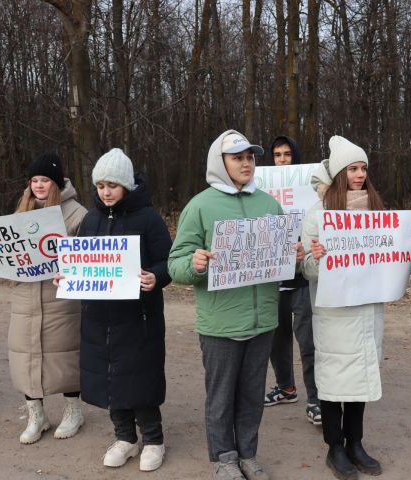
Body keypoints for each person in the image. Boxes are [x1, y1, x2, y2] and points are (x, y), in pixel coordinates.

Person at [169, 130, 300, 480]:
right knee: (221, 397)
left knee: (252, 395)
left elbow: (282, 261)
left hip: (262, 322)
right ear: (220, 162)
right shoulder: (200, 206)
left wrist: (295, 256)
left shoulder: (269, 204)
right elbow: (175, 263)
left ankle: (248, 454)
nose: (246, 163)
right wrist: (193, 264)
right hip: (220, 325)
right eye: (237, 157)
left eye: (250, 157)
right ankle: (223, 458)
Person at [71, 148, 172, 471]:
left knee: (139, 380)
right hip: (100, 319)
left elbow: (168, 261)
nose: (106, 192)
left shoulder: (148, 218)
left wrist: (155, 277)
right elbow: (81, 262)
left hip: (139, 318)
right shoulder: (91, 218)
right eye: (100, 186)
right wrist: (69, 274)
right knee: (110, 379)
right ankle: (125, 438)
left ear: (126, 185)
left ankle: (153, 440)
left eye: (112, 185)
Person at [301, 135, 394, 480]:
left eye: (363, 168)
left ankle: (356, 443)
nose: (359, 174)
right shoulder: (319, 214)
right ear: (340, 173)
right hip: (335, 312)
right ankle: (334, 447)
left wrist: (408, 240)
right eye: (353, 168)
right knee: (333, 379)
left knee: (360, 379)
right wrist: (318, 258)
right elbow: (306, 267)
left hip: (367, 309)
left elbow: (390, 252)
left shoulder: (376, 210)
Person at [6, 153, 88, 444]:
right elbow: (8, 255)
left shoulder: (77, 214)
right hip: (25, 298)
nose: (39, 185)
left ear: (56, 182)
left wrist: (70, 256)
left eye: (45, 180)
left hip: (60, 299)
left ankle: (73, 411)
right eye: (34, 180)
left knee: (66, 356)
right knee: (25, 356)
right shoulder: (19, 214)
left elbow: (89, 258)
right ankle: (36, 414)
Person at [263, 136, 321, 426]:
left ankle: (316, 399)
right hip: (274, 279)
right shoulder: (261, 188)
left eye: (287, 154)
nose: (282, 159)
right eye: (277, 154)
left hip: (300, 278)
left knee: (308, 341)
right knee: (276, 339)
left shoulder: (308, 189)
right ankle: (286, 387)